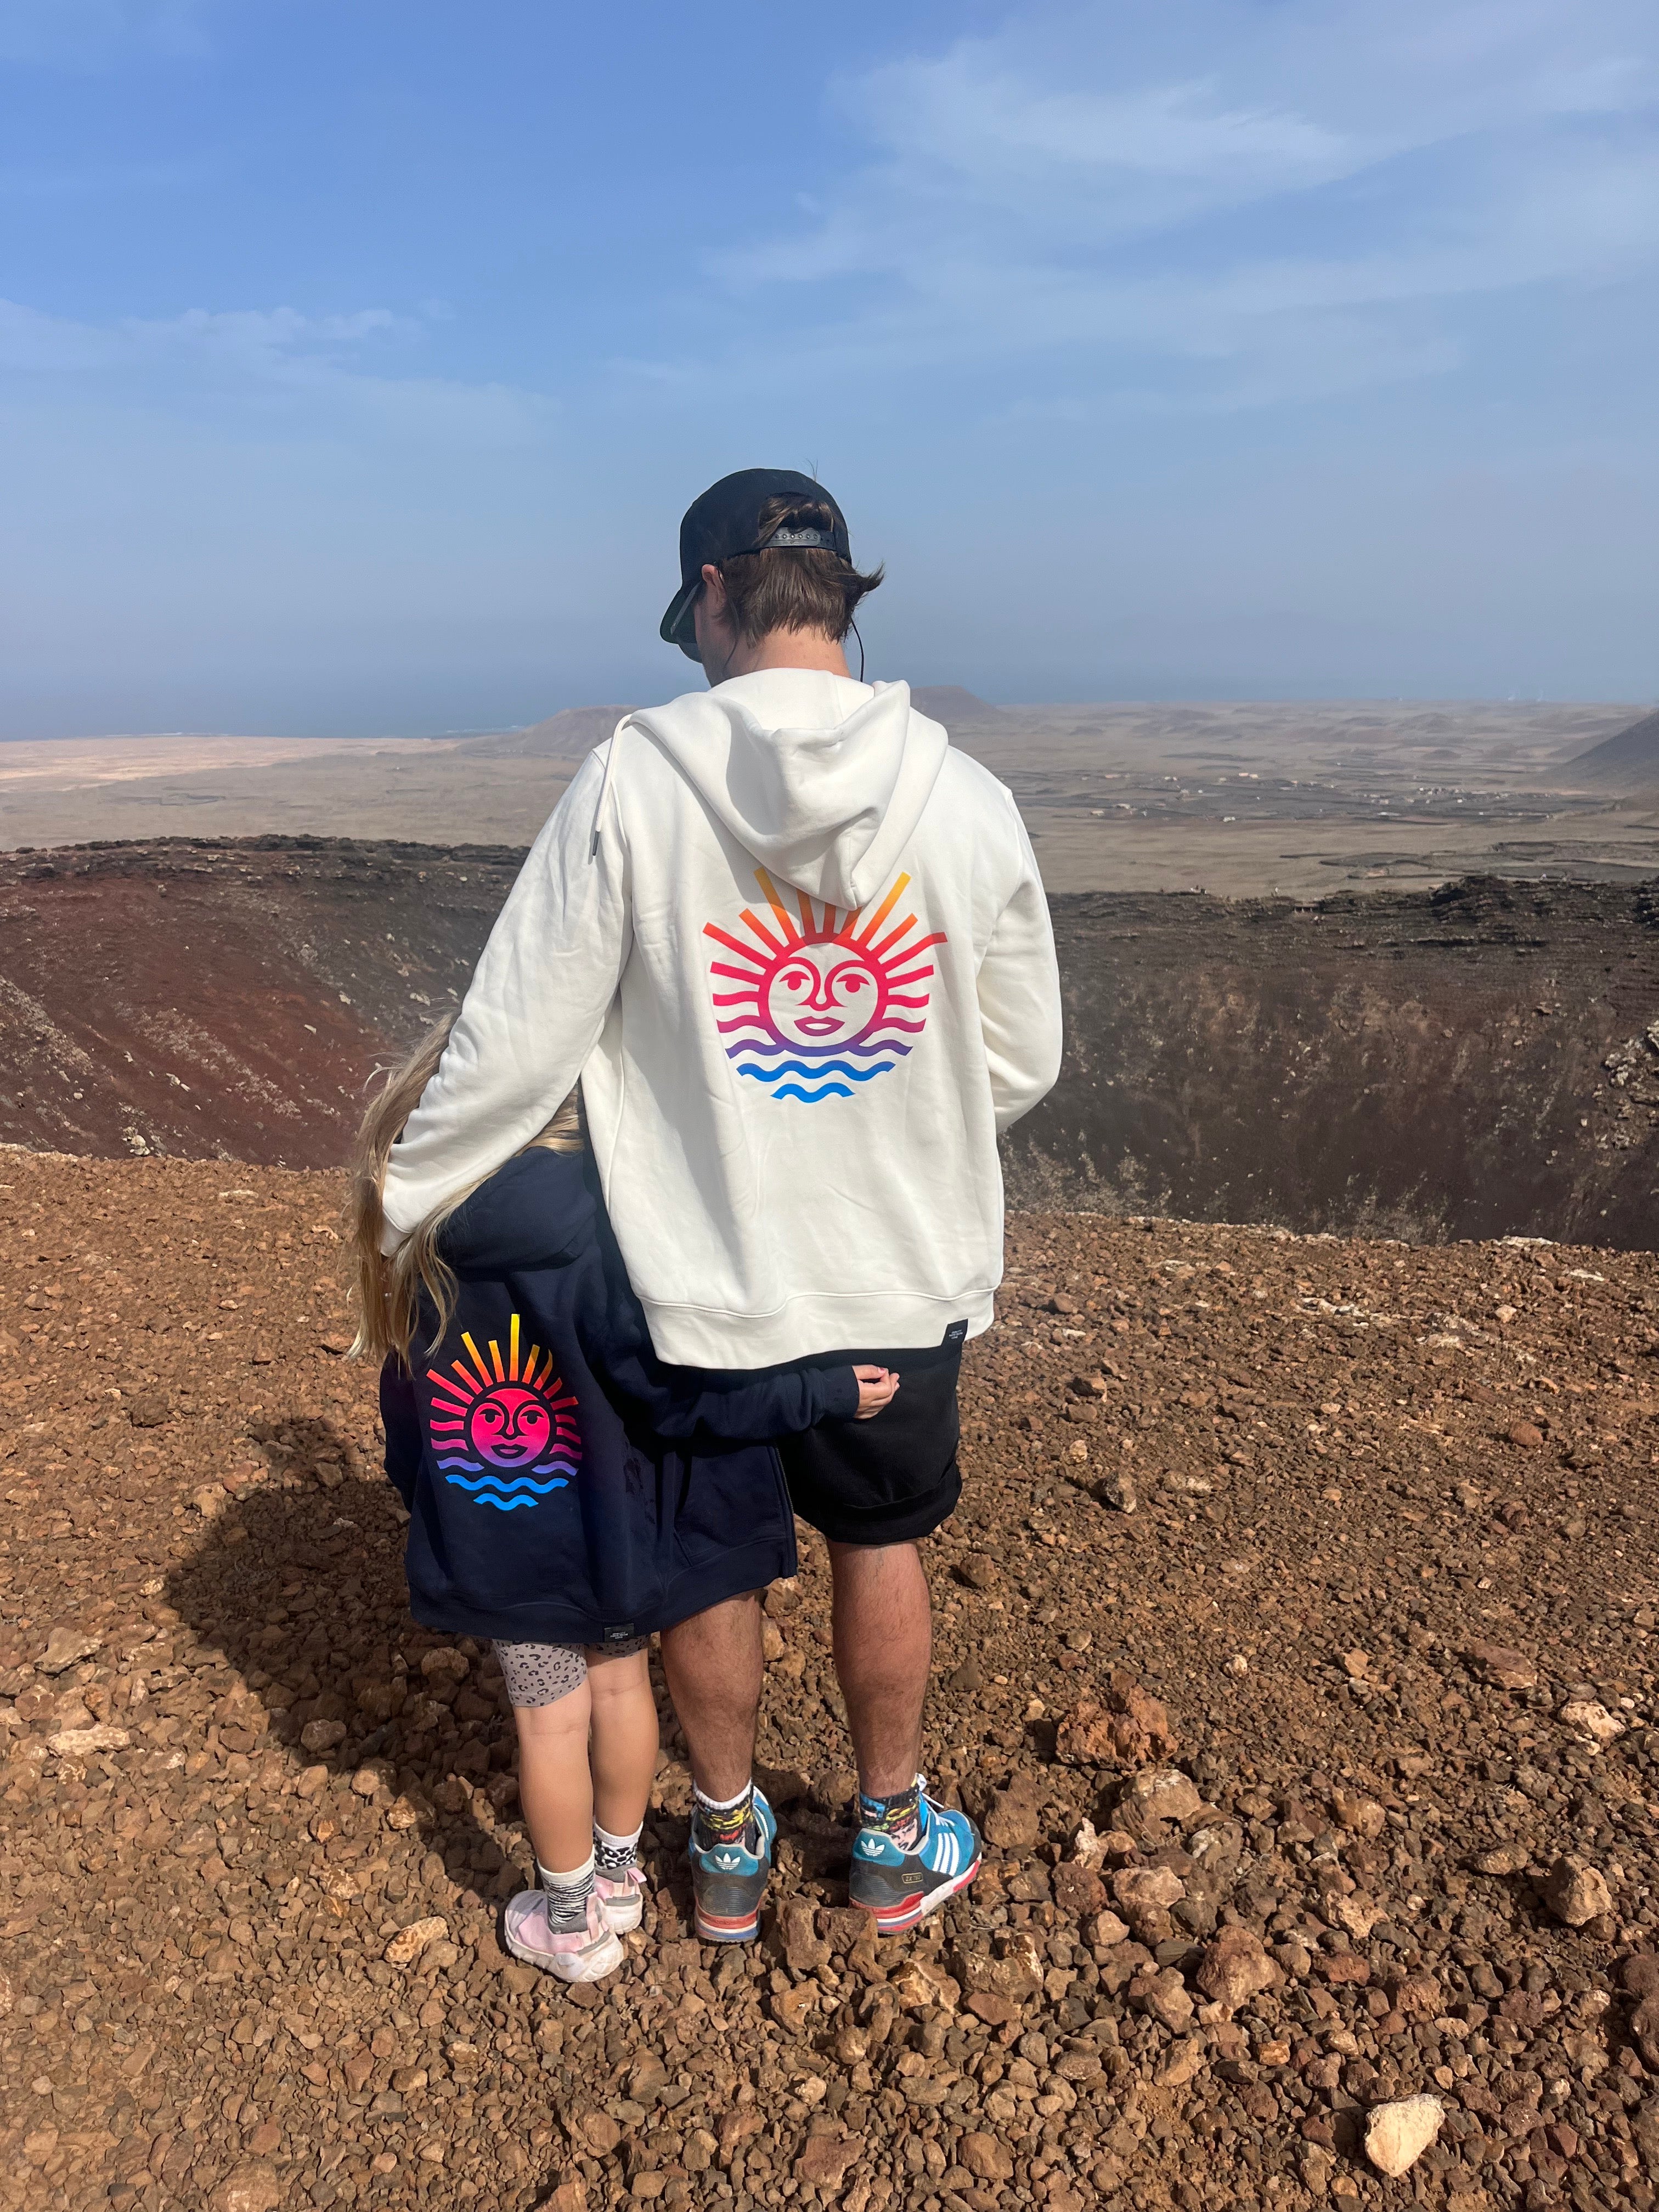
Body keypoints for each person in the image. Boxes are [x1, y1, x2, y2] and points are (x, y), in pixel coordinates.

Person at [379, 466, 1063, 1941]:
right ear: (843, 594)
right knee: (882, 1543)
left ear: (710, 597)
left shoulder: (633, 780)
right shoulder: (968, 795)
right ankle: (889, 1835)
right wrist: (900, 1127)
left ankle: (731, 1842)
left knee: (709, 1555)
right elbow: (1021, 1054)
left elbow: (517, 1034)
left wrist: (406, 1207)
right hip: (902, 1264)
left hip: (700, 1277)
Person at [351, 1017, 899, 1975]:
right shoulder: (605, 1232)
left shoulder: (423, 1242)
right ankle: (615, 1878)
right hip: (617, 1535)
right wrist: (827, 1389)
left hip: (512, 1551)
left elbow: (412, 1427)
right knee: (621, 1688)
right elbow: (674, 1387)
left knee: (548, 1722)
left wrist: (428, 1507)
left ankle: (568, 1925)